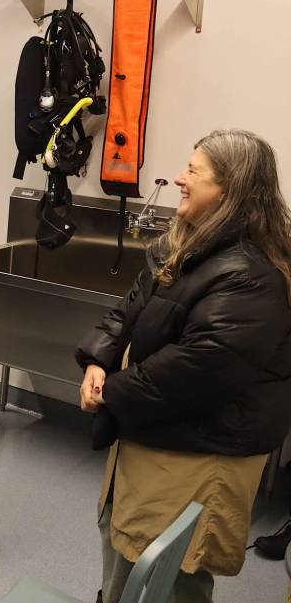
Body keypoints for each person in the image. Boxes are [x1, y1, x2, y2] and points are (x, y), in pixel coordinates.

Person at [76, 129, 291, 603]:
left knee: (170, 577)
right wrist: (97, 360)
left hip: (197, 454)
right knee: (126, 552)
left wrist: (112, 392)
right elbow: (128, 310)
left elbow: (197, 369)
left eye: (194, 171)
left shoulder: (249, 276)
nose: (179, 178)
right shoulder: (185, 245)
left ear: (229, 191)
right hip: (152, 433)